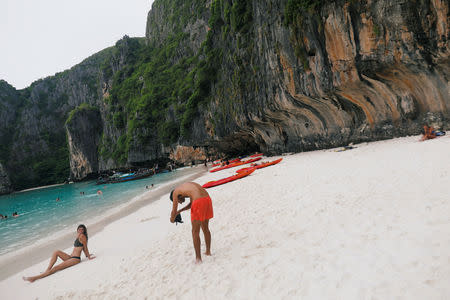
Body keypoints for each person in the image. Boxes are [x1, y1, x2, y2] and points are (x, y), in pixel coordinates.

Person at [23, 224, 95, 283]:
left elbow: (85, 248)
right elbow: (82, 248)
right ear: (77, 230)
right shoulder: (78, 236)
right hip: (70, 257)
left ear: (84, 230)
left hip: (75, 259)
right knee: (56, 252)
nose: (80, 230)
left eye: (82, 229)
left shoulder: (83, 236)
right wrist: (86, 255)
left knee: (56, 268)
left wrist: (88, 256)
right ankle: (47, 270)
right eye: (79, 229)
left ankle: (34, 278)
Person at [170, 182, 213, 263]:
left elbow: (173, 212)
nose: (181, 203)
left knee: (195, 232)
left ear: (175, 197)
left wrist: (172, 219)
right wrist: (179, 211)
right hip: (207, 199)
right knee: (205, 228)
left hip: (199, 201)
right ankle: (208, 252)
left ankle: (198, 259)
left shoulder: (175, 192)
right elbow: (191, 203)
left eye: (179, 201)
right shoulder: (186, 186)